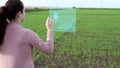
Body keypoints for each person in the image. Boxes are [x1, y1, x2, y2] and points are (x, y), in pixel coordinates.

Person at [0, 0, 54, 68]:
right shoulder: (27, 33)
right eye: (24, 11)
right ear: (19, 13)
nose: (25, 13)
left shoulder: (1, 31)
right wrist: (50, 29)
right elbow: (48, 49)